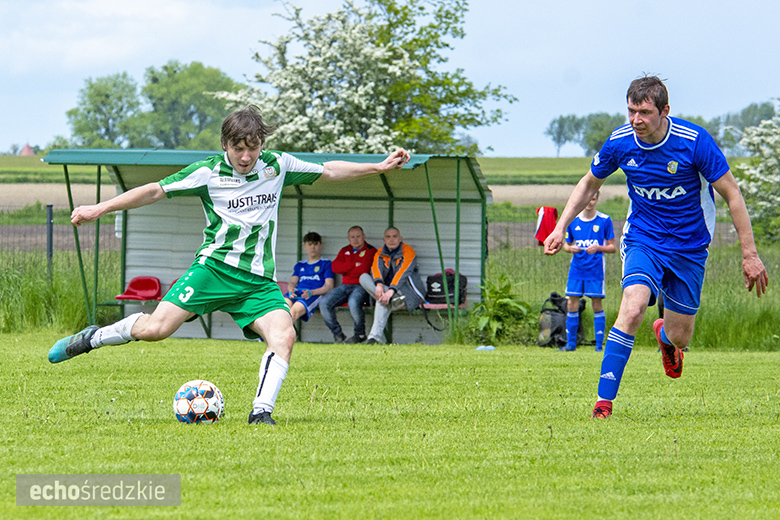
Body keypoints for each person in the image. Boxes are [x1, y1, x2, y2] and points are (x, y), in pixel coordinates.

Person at [48, 105, 411, 426]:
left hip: (257, 282)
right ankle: (93, 337)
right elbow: (155, 190)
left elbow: (329, 170)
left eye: (252, 147)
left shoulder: (277, 165)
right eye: (238, 148)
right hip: (213, 270)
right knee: (155, 329)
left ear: (260, 145)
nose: (245, 156)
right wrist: (100, 208)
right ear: (226, 145)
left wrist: (378, 166)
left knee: (284, 335)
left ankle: (261, 412)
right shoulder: (208, 172)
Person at [543, 75, 768, 419]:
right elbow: (590, 182)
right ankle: (603, 403)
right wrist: (561, 227)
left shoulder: (694, 142)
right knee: (632, 308)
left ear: (665, 111)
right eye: (632, 110)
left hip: (690, 246)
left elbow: (732, 194)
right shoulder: (620, 142)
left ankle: (666, 338)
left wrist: (749, 254)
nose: (636, 120)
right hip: (643, 238)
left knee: (681, 336)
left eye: (645, 112)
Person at [562, 190, 616, 352]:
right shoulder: (573, 221)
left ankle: (599, 345)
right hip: (577, 269)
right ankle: (570, 344)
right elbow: (566, 244)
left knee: (597, 303)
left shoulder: (605, 220)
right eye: (588, 199)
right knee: (572, 302)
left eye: (593, 199)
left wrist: (599, 247)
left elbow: (613, 247)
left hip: (595, 270)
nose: (590, 202)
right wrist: (571, 249)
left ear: (597, 200)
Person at [359, 227, 426, 344]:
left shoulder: (408, 251)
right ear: (384, 240)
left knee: (381, 300)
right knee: (363, 277)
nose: (391, 240)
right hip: (389, 294)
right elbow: (375, 269)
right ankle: (392, 302)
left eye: (394, 236)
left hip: (406, 293)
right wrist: (379, 285)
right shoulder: (380, 253)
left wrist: (391, 291)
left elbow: (402, 273)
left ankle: (374, 338)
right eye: (388, 237)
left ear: (400, 239)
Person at [319, 226, 377, 343]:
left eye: (358, 236)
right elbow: (335, 267)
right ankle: (338, 334)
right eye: (352, 237)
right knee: (324, 302)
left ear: (364, 237)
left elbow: (363, 270)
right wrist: (353, 265)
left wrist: (346, 268)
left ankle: (359, 334)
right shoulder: (344, 250)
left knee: (353, 303)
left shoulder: (371, 251)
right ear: (348, 238)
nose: (355, 240)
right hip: (345, 285)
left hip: (362, 286)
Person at [284, 231, 334, 322]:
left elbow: (329, 286)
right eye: (310, 244)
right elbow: (292, 282)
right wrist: (291, 289)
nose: (313, 247)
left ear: (321, 245)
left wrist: (312, 292)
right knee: (280, 311)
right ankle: (273, 336)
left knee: (292, 313)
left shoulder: (326, 263)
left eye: (315, 244)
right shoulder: (300, 265)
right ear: (304, 246)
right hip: (297, 293)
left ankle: (283, 336)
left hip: (313, 295)